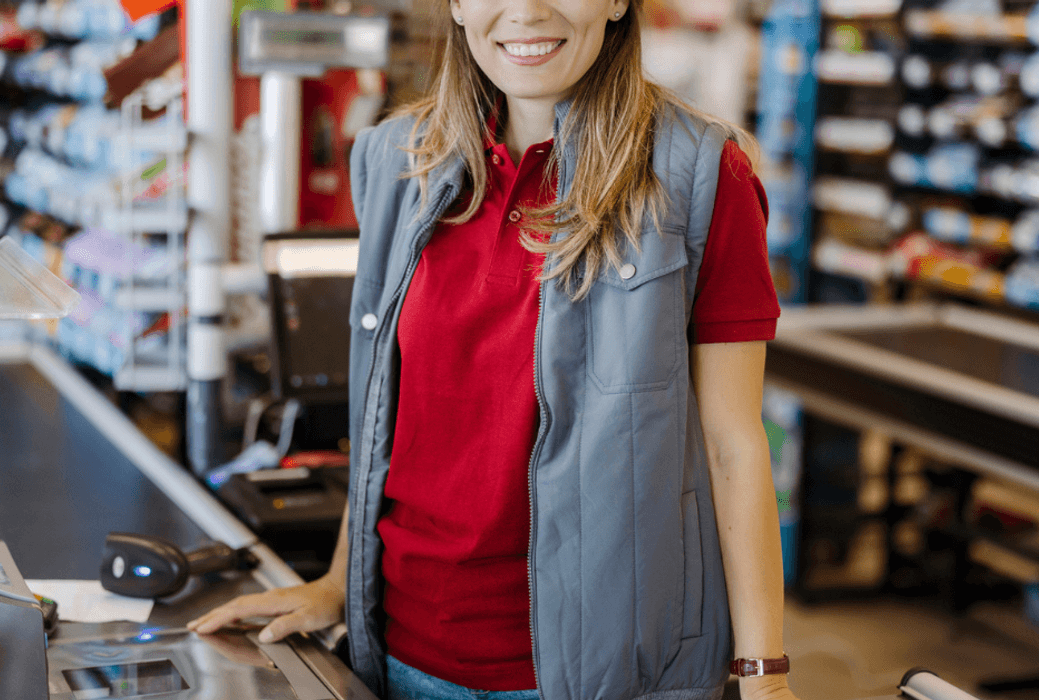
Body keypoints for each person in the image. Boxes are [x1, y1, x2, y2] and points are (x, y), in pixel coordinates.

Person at [190, 2, 797, 699]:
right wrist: (336, 581)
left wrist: (763, 673)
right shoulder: (393, 162)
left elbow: (733, 444)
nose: (526, 10)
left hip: (597, 674)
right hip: (397, 656)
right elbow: (384, 418)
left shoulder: (698, 175)